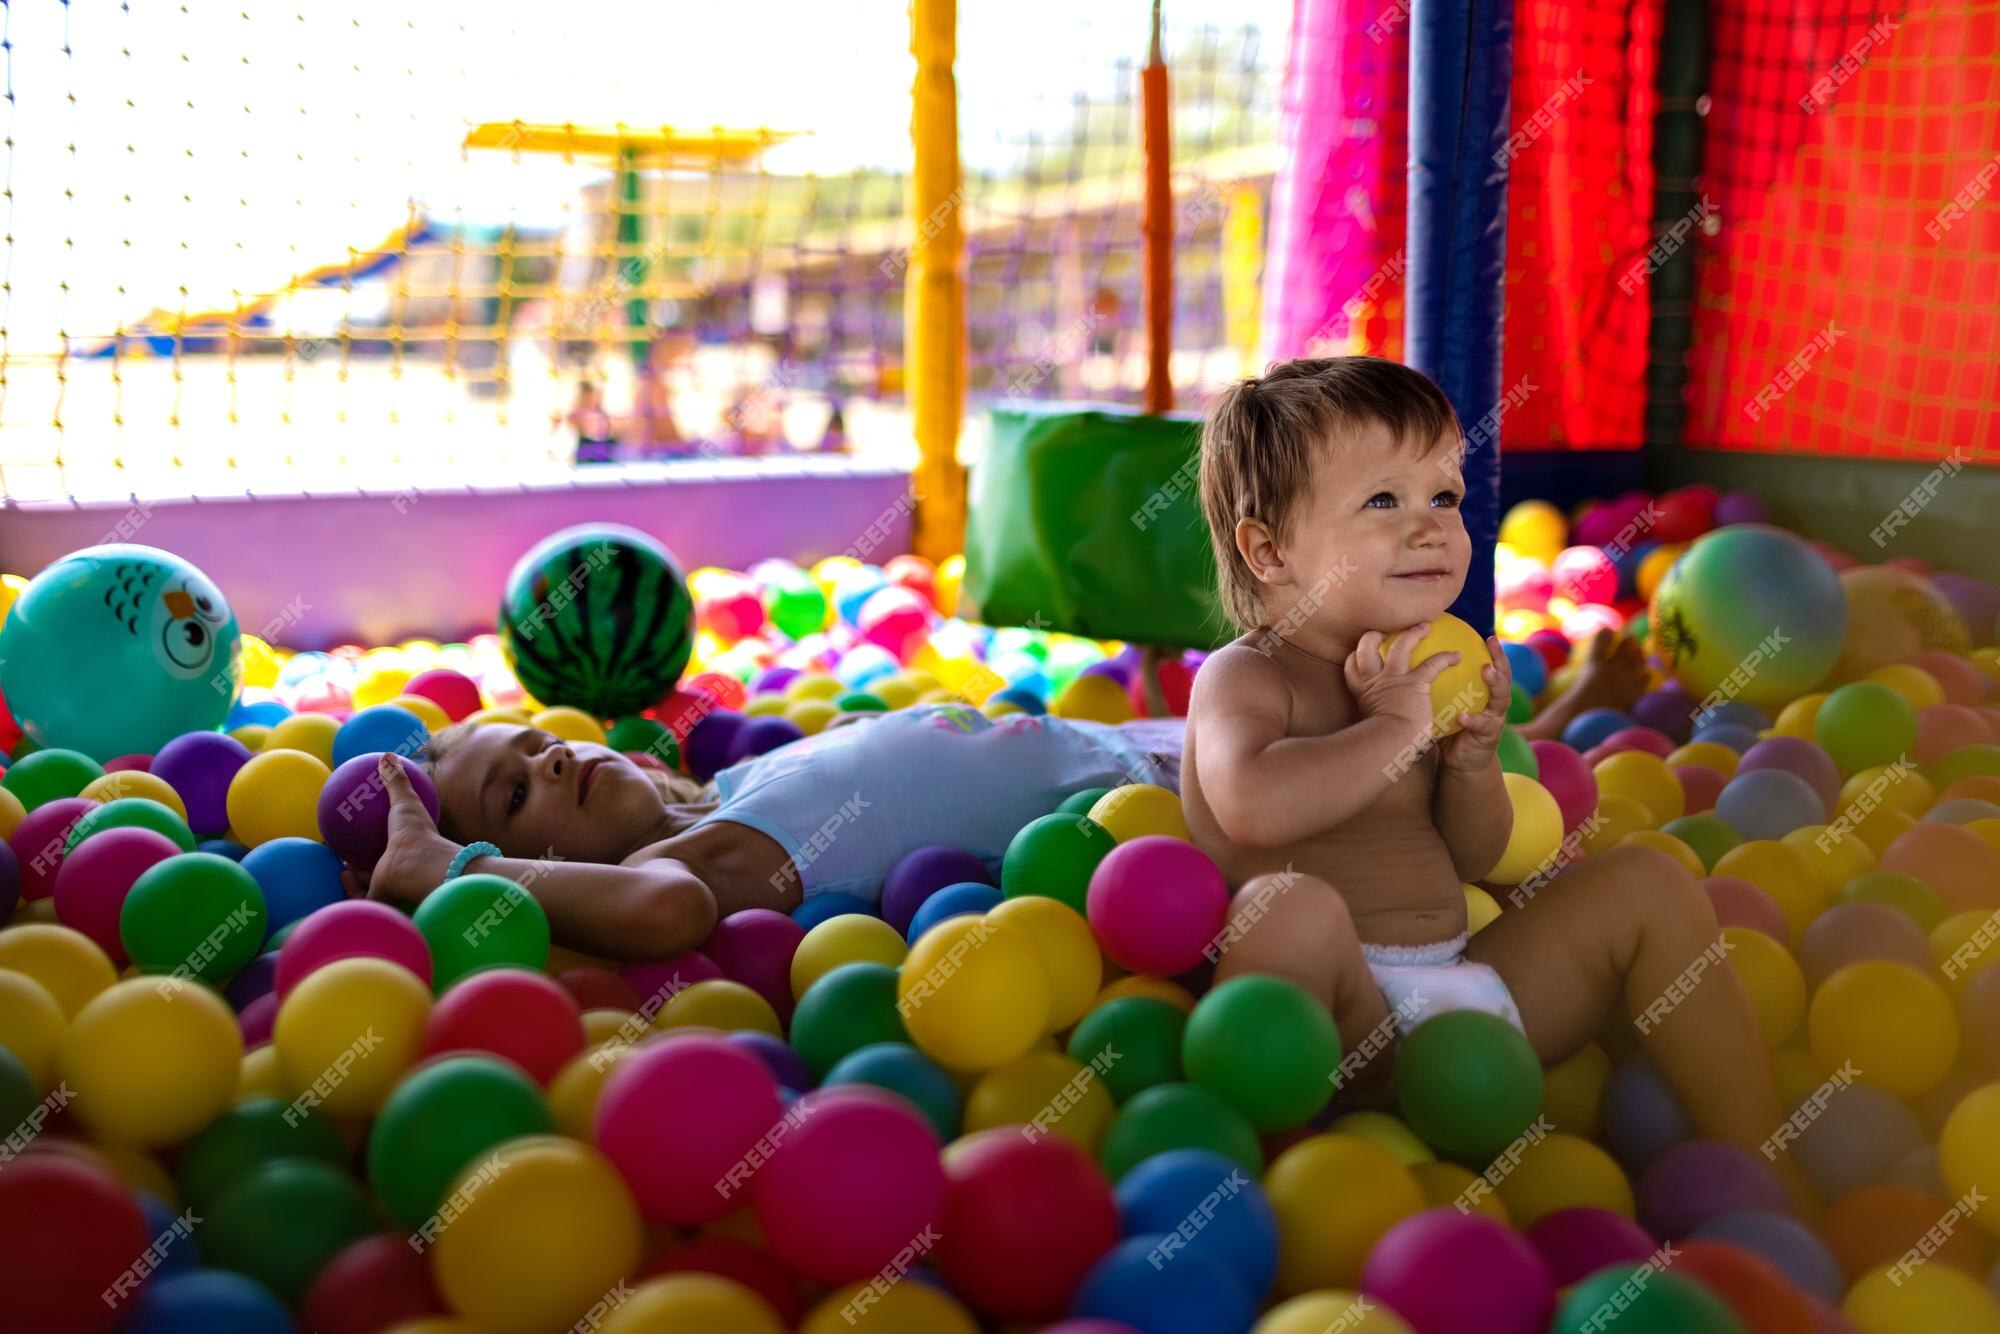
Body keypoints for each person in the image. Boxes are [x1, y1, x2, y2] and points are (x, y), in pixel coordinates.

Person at [1181, 356, 1799, 1197]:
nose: (1431, 527)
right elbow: (1253, 806)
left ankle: (1764, 1161)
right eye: (1383, 502)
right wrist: (1398, 726)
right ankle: (1269, 1182)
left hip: (1469, 1001)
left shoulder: (1433, 660)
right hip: (1340, 1025)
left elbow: (1475, 859)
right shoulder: (1249, 677)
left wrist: (1471, 764)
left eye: (1444, 497)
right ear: (1270, 551)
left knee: (1651, 881)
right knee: (1287, 909)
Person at [360, 706, 1180, 962]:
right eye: (512, 795)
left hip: (1123, 742)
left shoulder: (722, 792)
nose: (553, 763)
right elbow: (664, 909)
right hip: (1159, 814)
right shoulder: (684, 855)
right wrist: (456, 870)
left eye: (540, 742)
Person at [566, 381, 618, 465]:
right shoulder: (576, 414)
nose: (589, 399)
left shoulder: (600, 413)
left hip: (600, 454)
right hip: (585, 455)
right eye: (586, 396)